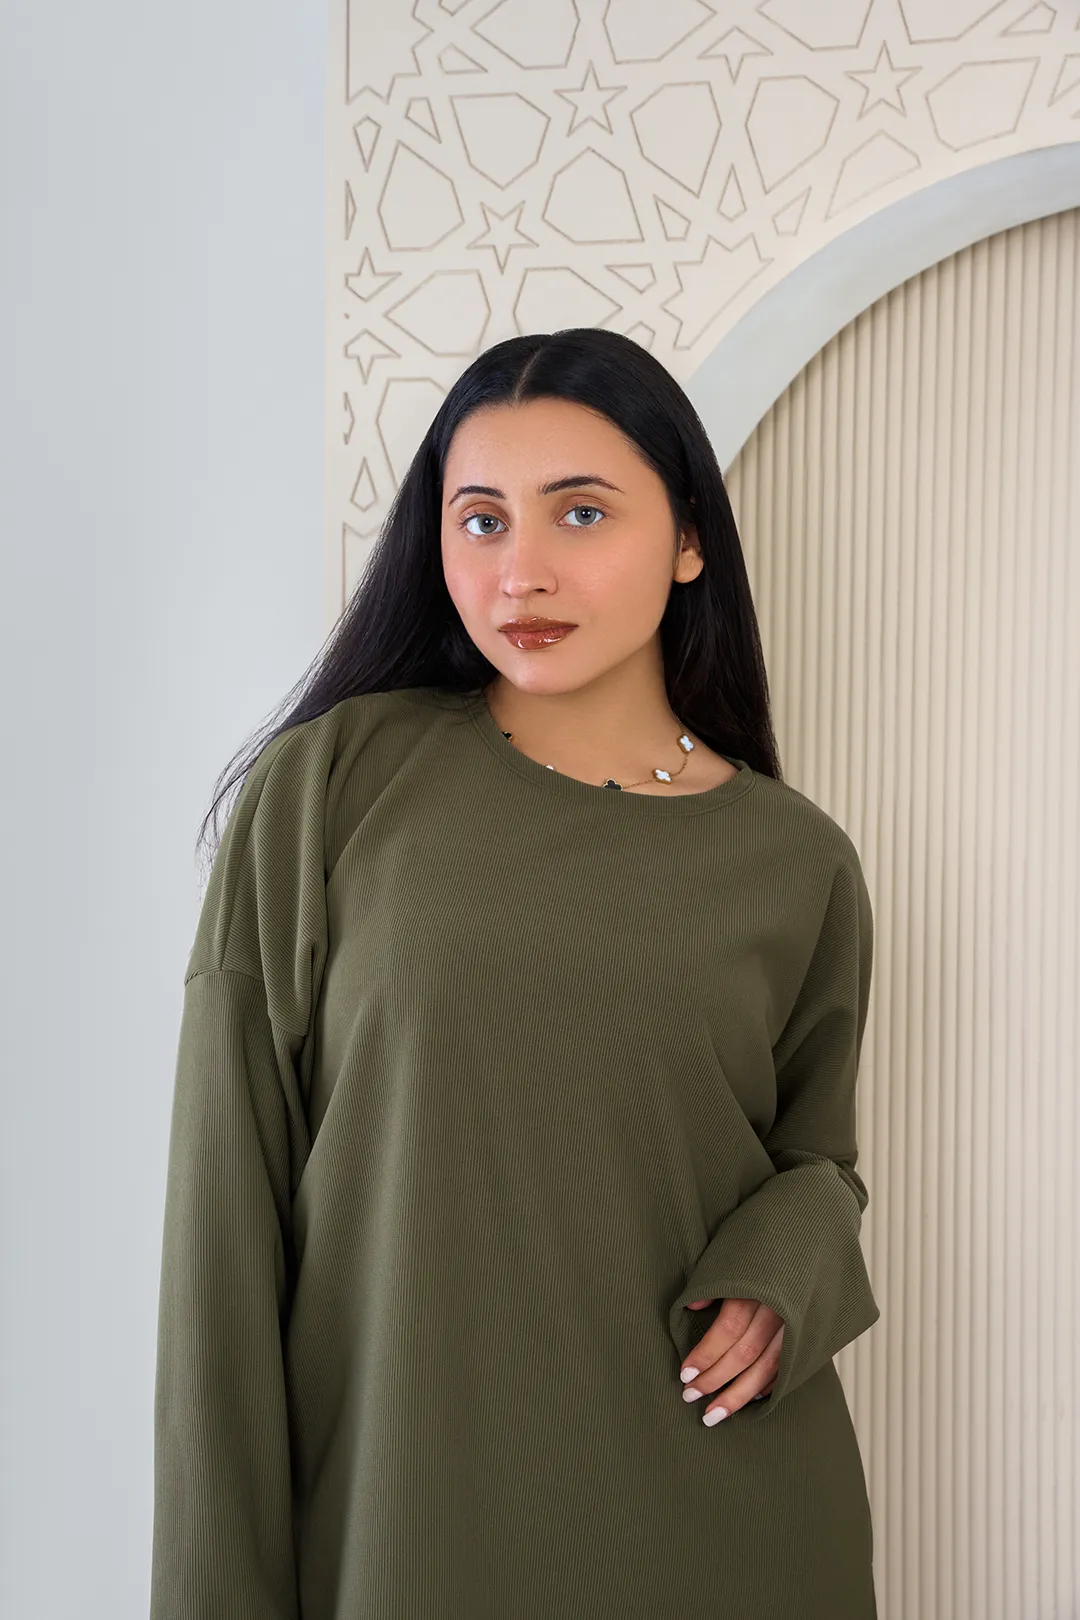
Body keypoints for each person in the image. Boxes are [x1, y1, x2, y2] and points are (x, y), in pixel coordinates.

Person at [150, 327, 880, 1618]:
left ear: (689, 539)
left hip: (723, 1521)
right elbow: (222, 1241)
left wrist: (788, 1273)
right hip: (413, 1516)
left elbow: (817, 1163)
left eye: (580, 513)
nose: (520, 571)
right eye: (480, 521)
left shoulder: (796, 860)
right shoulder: (336, 786)